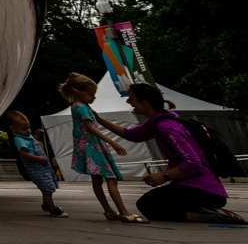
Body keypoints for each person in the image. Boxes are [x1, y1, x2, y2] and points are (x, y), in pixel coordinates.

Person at [101, 83, 246, 224]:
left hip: (203, 189)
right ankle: (203, 211)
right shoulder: (159, 119)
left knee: (148, 205)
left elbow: (193, 163)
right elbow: (132, 135)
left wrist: (164, 176)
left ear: (144, 103)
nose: (128, 101)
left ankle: (208, 215)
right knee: (150, 204)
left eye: (131, 98)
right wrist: (98, 119)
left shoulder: (166, 126)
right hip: (199, 187)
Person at [58, 71, 143, 222]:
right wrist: (113, 142)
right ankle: (123, 211)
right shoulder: (83, 108)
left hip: (87, 148)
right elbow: (91, 129)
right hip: (93, 147)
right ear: (79, 92)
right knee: (111, 178)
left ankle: (108, 210)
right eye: (91, 94)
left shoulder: (75, 106)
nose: (94, 97)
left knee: (97, 180)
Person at [4, 111, 67, 217]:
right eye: (24, 129)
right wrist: (38, 159)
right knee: (46, 188)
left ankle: (46, 204)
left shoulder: (26, 137)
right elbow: (24, 153)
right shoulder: (19, 140)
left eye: (29, 128)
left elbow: (31, 145)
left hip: (42, 166)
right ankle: (52, 208)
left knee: (47, 185)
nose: (28, 131)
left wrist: (36, 136)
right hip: (36, 167)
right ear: (13, 129)